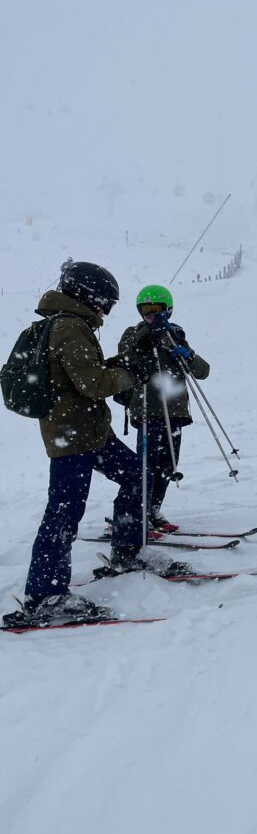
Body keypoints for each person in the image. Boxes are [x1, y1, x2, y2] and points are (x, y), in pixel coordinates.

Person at [3, 262, 157, 629]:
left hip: (90, 433)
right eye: (107, 303)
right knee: (63, 511)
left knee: (137, 476)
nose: (107, 311)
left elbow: (85, 374)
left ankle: (126, 551)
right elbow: (92, 383)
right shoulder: (70, 326)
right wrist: (129, 374)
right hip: (71, 437)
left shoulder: (70, 324)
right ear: (90, 296)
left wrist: (124, 364)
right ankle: (45, 596)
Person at [117, 285, 210, 532]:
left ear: (168, 310)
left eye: (156, 310)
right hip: (148, 409)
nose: (151, 315)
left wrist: (187, 354)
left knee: (168, 465)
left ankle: (153, 509)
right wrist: (146, 338)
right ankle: (137, 514)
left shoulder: (176, 334)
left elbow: (203, 371)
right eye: (146, 310)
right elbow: (125, 359)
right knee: (146, 465)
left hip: (176, 411)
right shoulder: (133, 333)